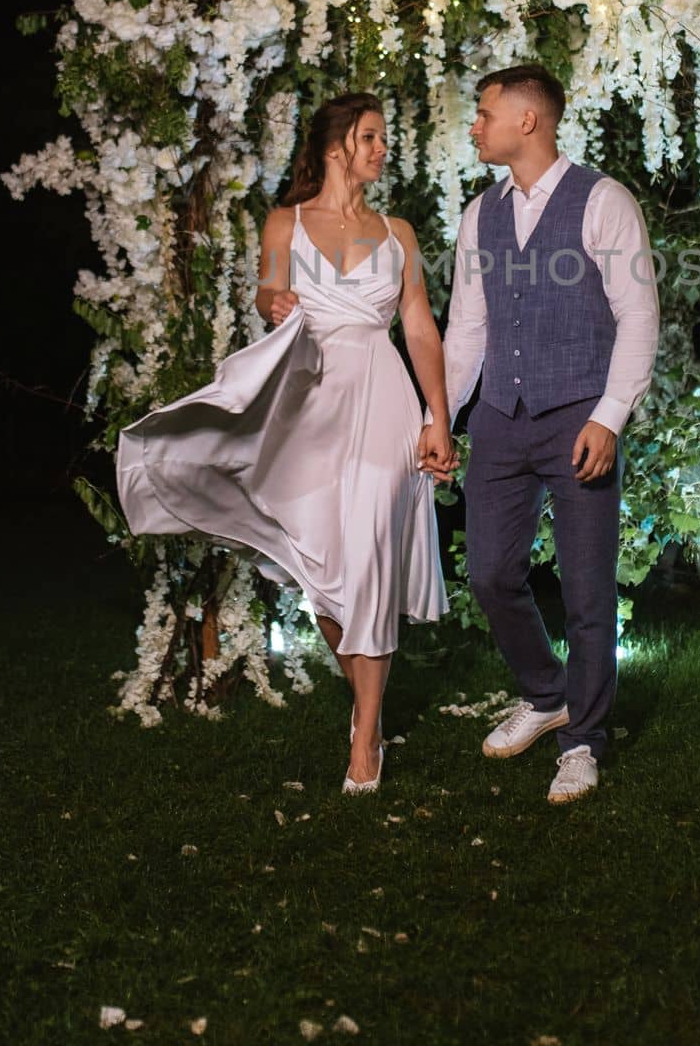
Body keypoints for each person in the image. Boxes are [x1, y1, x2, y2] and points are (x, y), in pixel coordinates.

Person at [117, 93, 456, 795]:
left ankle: (365, 741)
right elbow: (271, 297)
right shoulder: (285, 222)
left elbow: (420, 327)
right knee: (325, 569)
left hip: (383, 398)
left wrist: (440, 416)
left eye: (384, 139)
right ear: (336, 146)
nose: (382, 149)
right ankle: (370, 707)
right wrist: (271, 302)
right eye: (372, 138)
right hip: (309, 402)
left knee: (367, 554)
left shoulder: (400, 234)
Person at [442, 64, 659, 804]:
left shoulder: (603, 202)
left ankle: (583, 741)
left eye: (483, 112)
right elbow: (468, 326)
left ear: (526, 120)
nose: (474, 125)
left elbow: (638, 317)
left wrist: (608, 416)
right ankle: (546, 691)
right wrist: (443, 415)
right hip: (501, 419)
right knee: (490, 574)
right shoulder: (481, 214)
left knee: (588, 591)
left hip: (578, 417)